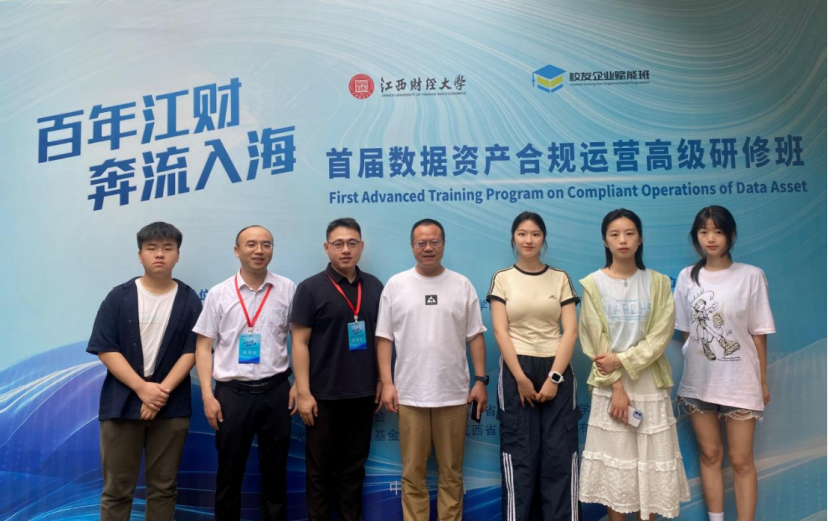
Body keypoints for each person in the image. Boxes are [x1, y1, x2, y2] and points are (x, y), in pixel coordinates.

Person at [578, 209, 690, 520]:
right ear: (605, 241)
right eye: (615, 234)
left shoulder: (658, 283)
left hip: (649, 381)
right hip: (610, 384)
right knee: (617, 465)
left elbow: (660, 337)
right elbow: (594, 339)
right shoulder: (593, 284)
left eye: (629, 233)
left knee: (650, 465)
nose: (623, 240)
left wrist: (621, 359)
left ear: (640, 239)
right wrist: (617, 386)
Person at [87, 222, 202, 520]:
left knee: (163, 488)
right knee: (116, 490)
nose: (159, 254)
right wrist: (142, 388)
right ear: (140, 255)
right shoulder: (118, 297)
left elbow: (193, 350)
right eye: (152, 249)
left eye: (167, 248)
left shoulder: (190, 300)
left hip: (171, 406)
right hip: (121, 404)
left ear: (178, 254)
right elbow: (105, 347)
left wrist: (159, 394)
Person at [376, 218, 488, 521]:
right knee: (412, 472)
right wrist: (387, 383)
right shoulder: (396, 285)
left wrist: (480, 380)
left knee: (452, 472)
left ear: (443, 244)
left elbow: (475, 337)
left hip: (453, 394)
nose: (428, 248)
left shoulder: (461, 284)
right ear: (412, 246)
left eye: (434, 242)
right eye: (421, 243)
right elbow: (384, 338)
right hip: (410, 394)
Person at [674, 206, 775, 521]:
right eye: (704, 232)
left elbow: (759, 334)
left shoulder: (751, 275)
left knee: (742, 460)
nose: (711, 238)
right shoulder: (687, 277)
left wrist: (761, 381)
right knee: (710, 455)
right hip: (699, 382)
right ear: (696, 237)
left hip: (740, 381)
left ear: (731, 235)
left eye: (718, 231)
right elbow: (687, 332)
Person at [193, 225, 297, 520]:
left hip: (276, 391)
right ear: (237, 251)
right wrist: (207, 396)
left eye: (266, 244)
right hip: (232, 395)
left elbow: (301, 339)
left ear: (272, 250)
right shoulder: (219, 293)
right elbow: (203, 346)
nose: (259, 250)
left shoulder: (287, 289)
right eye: (251, 244)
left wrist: (299, 383)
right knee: (229, 474)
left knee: (275, 474)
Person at [487, 211, 582, 520]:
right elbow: (500, 331)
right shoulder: (503, 278)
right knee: (520, 457)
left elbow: (571, 331)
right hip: (517, 370)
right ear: (513, 238)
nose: (528, 240)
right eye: (522, 234)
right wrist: (520, 378)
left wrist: (554, 378)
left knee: (559, 456)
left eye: (535, 234)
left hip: (557, 368)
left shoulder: (560, 277)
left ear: (543, 239)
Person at [290, 218, 384, 521]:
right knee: (319, 472)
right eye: (339, 244)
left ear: (361, 247)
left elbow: (382, 339)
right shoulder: (310, 288)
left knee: (353, 471)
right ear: (327, 247)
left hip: (363, 394)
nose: (346, 250)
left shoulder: (375, 286)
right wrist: (304, 392)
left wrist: (381, 379)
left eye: (352, 243)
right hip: (322, 396)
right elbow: (299, 343)